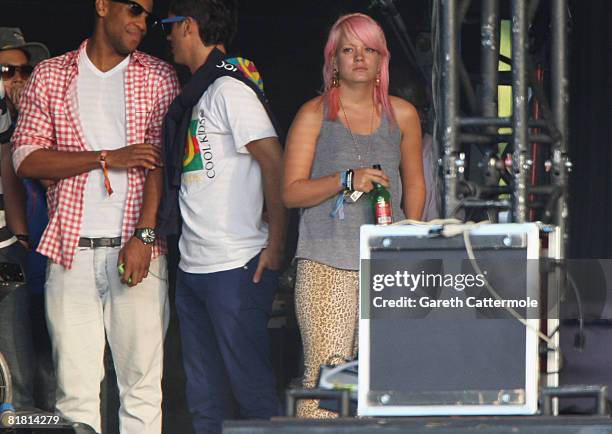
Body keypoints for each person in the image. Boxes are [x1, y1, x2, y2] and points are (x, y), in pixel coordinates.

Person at [11, 0, 180, 432]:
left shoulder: (158, 75)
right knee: (75, 393)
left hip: (138, 250)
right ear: (102, 5)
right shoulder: (52, 74)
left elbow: (162, 162)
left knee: (142, 390)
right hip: (70, 253)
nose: (142, 22)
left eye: (147, 15)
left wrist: (144, 236)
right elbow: (26, 158)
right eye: (134, 9)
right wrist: (107, 158)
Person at [282, 13, 426, 418]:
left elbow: (414, 184)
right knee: (326, 378)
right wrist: (345, 179)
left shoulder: (404, 115)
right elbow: (290, 193)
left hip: (386, 263)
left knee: (383, 377)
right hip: (327, 262)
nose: (359, 58)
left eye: (369, 50)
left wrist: (406, 238)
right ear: (334, 61)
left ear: (382, 60)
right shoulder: (313, 114)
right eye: (349, 50)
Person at [157, 0, 286, 432]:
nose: (167, 35)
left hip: (236, 263)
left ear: (188, 25)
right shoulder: (200, 90)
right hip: (194, 265)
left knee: (252, 393)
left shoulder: (230, 88)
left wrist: (277, 245)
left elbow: (273, 160)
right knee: (204, 398)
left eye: (169, 25)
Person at [0, 27, 50, 411]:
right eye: (6, 71)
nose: (17, 80)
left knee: (41, 377)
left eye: (24, 71)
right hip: (15, 259)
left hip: (38, 269)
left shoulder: (51, 120)